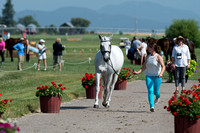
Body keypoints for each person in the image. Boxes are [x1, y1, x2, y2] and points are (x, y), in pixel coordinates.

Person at [133, 43, 165, 112]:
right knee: (150, 91)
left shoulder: (158, 57)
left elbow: (163, 66)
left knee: (156, 92)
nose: (147, 49)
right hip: (149, 76)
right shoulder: (147, 57)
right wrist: (137, 72)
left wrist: (161, 73)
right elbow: (144, 67)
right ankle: (152, 106)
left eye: (149, 48)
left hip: (157, 77)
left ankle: (157, 97)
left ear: (152, 48)